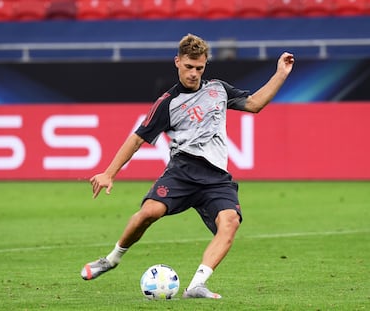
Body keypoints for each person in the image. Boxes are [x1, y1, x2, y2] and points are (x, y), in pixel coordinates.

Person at [81, 34, 294, 299]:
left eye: (199, 68)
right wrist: (109, 173)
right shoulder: (167, 103)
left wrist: (280, 74)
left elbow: (255, 104)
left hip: (216, 178)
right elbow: (137, 139)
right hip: (182, 172)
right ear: (177, 62)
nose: (194, 73)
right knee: (149, 213)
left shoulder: (218, 89)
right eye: (189, 67)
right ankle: (112, 259)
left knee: (230, 223)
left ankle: (196, 286)